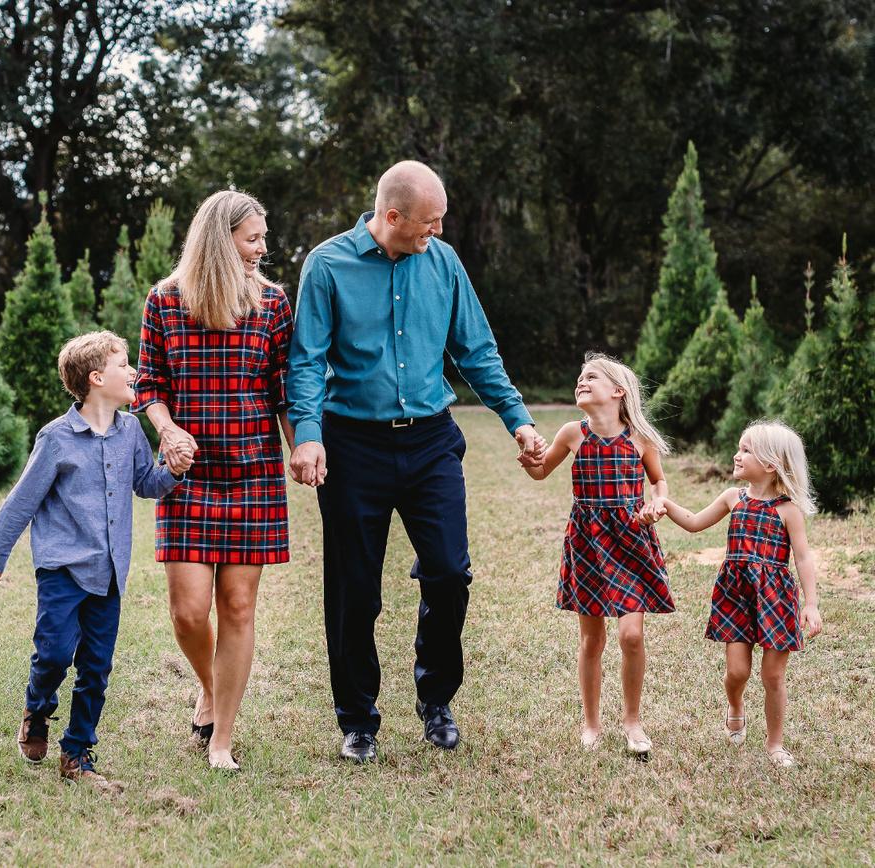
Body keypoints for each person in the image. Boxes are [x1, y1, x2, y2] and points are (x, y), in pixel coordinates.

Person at [287, 160, 546, 763]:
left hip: (431, 442)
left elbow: (476, 350)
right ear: (393, 215)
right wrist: (307, 434)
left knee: (450, 572)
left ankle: (436, 699)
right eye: (429, 222)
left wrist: (519, 419)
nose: (438, 231)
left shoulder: (444, 262)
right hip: (352, 445)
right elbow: (306, 360)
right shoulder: (327, 265)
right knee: (355, 590)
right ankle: (358, 720)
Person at [0, 330, 188, 788]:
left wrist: (172, 471)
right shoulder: (56, 438)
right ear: (96, 378)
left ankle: (77, 753)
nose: (133, 371)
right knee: (53, 653)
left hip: (109, 572)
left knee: (96, 667)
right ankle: (37, 709)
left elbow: (145, 484)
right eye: (123, 364)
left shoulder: (131, 431)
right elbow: (21, 502)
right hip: (62, 569)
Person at [132, 189, 294, 771]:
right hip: (188, 474)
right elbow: (149, 383)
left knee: (238, 606)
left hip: (253, 472)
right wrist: (167, 428)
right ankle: (209, 684)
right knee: (188, 611)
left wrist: (301, 447)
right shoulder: (165, 301)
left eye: (263, 237)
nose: (263, 248)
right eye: (253, 238)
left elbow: (283, 388)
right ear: (220, 241)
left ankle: (221, 737)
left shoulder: (272, 303)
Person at [645, 420, 822, 767]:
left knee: (773, 676)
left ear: (770, 464)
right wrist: (665, 504)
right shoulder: (733, 498)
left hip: (775, 599)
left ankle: (775, 744)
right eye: (738, 448)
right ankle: (735, 705)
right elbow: (694, 522)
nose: (736, 455)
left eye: (745, 450)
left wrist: (811, 604)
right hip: (736, 595)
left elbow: (803, 558)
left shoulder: (788, 510)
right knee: (738, 671)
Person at [523, 352, 673, 755]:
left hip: (631, 539)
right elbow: (540, 471)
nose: (581, 381)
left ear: (618, 391)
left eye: (591, 377)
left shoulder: (640, 439)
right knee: (592, 640)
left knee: (632, 635)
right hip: (587, 542)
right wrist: (529, 460)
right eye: (580, 377)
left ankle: (633, 721)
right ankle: (591, 724)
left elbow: (659, 481)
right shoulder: (573, 433)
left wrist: (657, 503)